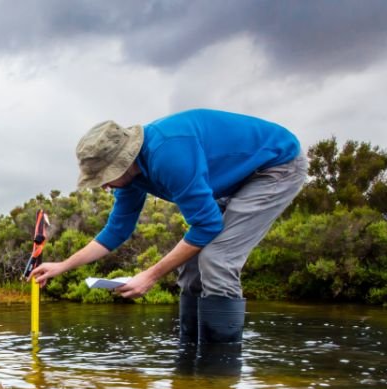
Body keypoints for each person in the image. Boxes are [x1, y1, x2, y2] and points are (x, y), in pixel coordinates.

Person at [29, 109, 308, 345]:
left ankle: (218, 371)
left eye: (106, 176)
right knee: (189, 267)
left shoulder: (169, 155)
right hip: (234, 178)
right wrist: (63, 265)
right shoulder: (131, 178)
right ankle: (189, 357)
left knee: (217, 259)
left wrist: (150, 276)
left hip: (275, 167)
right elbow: (117, 230)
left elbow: (207, 226)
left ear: (124, 162)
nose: (104, 184)